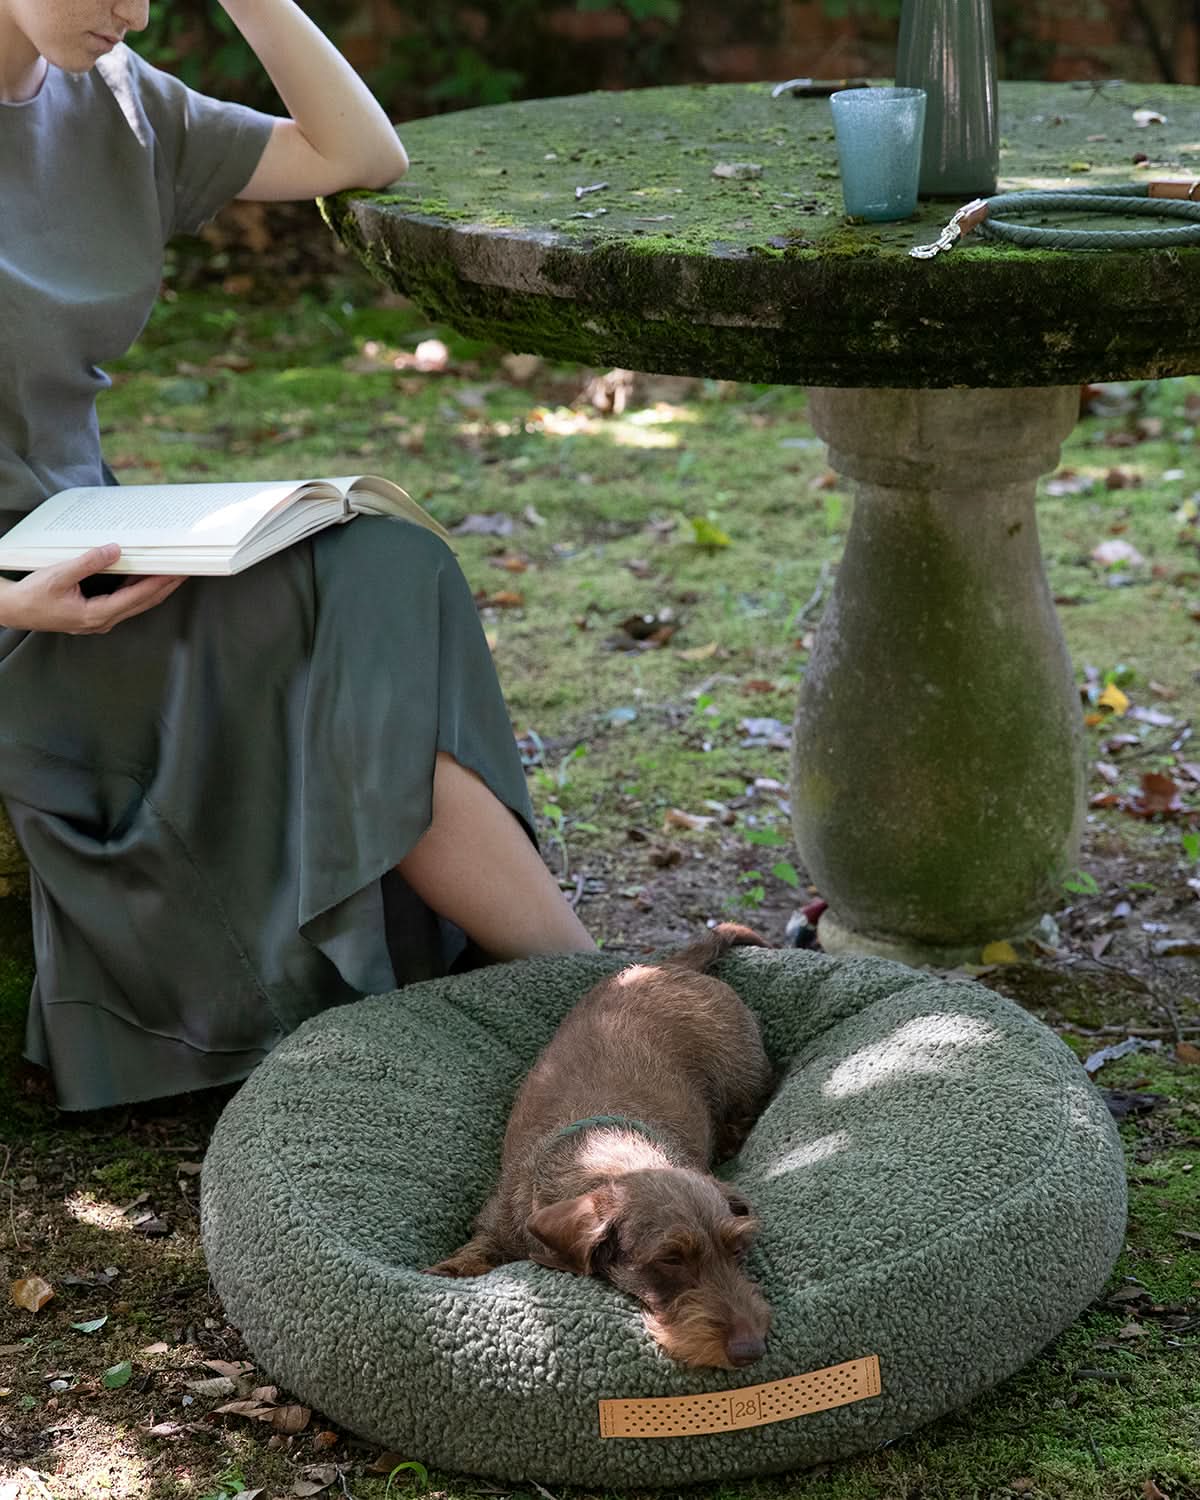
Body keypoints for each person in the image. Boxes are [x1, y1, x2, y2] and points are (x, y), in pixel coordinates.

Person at [0, 0, 595, 1113]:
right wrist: (12, 606)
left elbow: (358, 155)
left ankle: (583, 987)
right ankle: (600, 1002)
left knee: (386, 562)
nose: (134, 11)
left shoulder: (121, 101)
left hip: (94, 547)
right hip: (23, 616)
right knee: (327, 626)